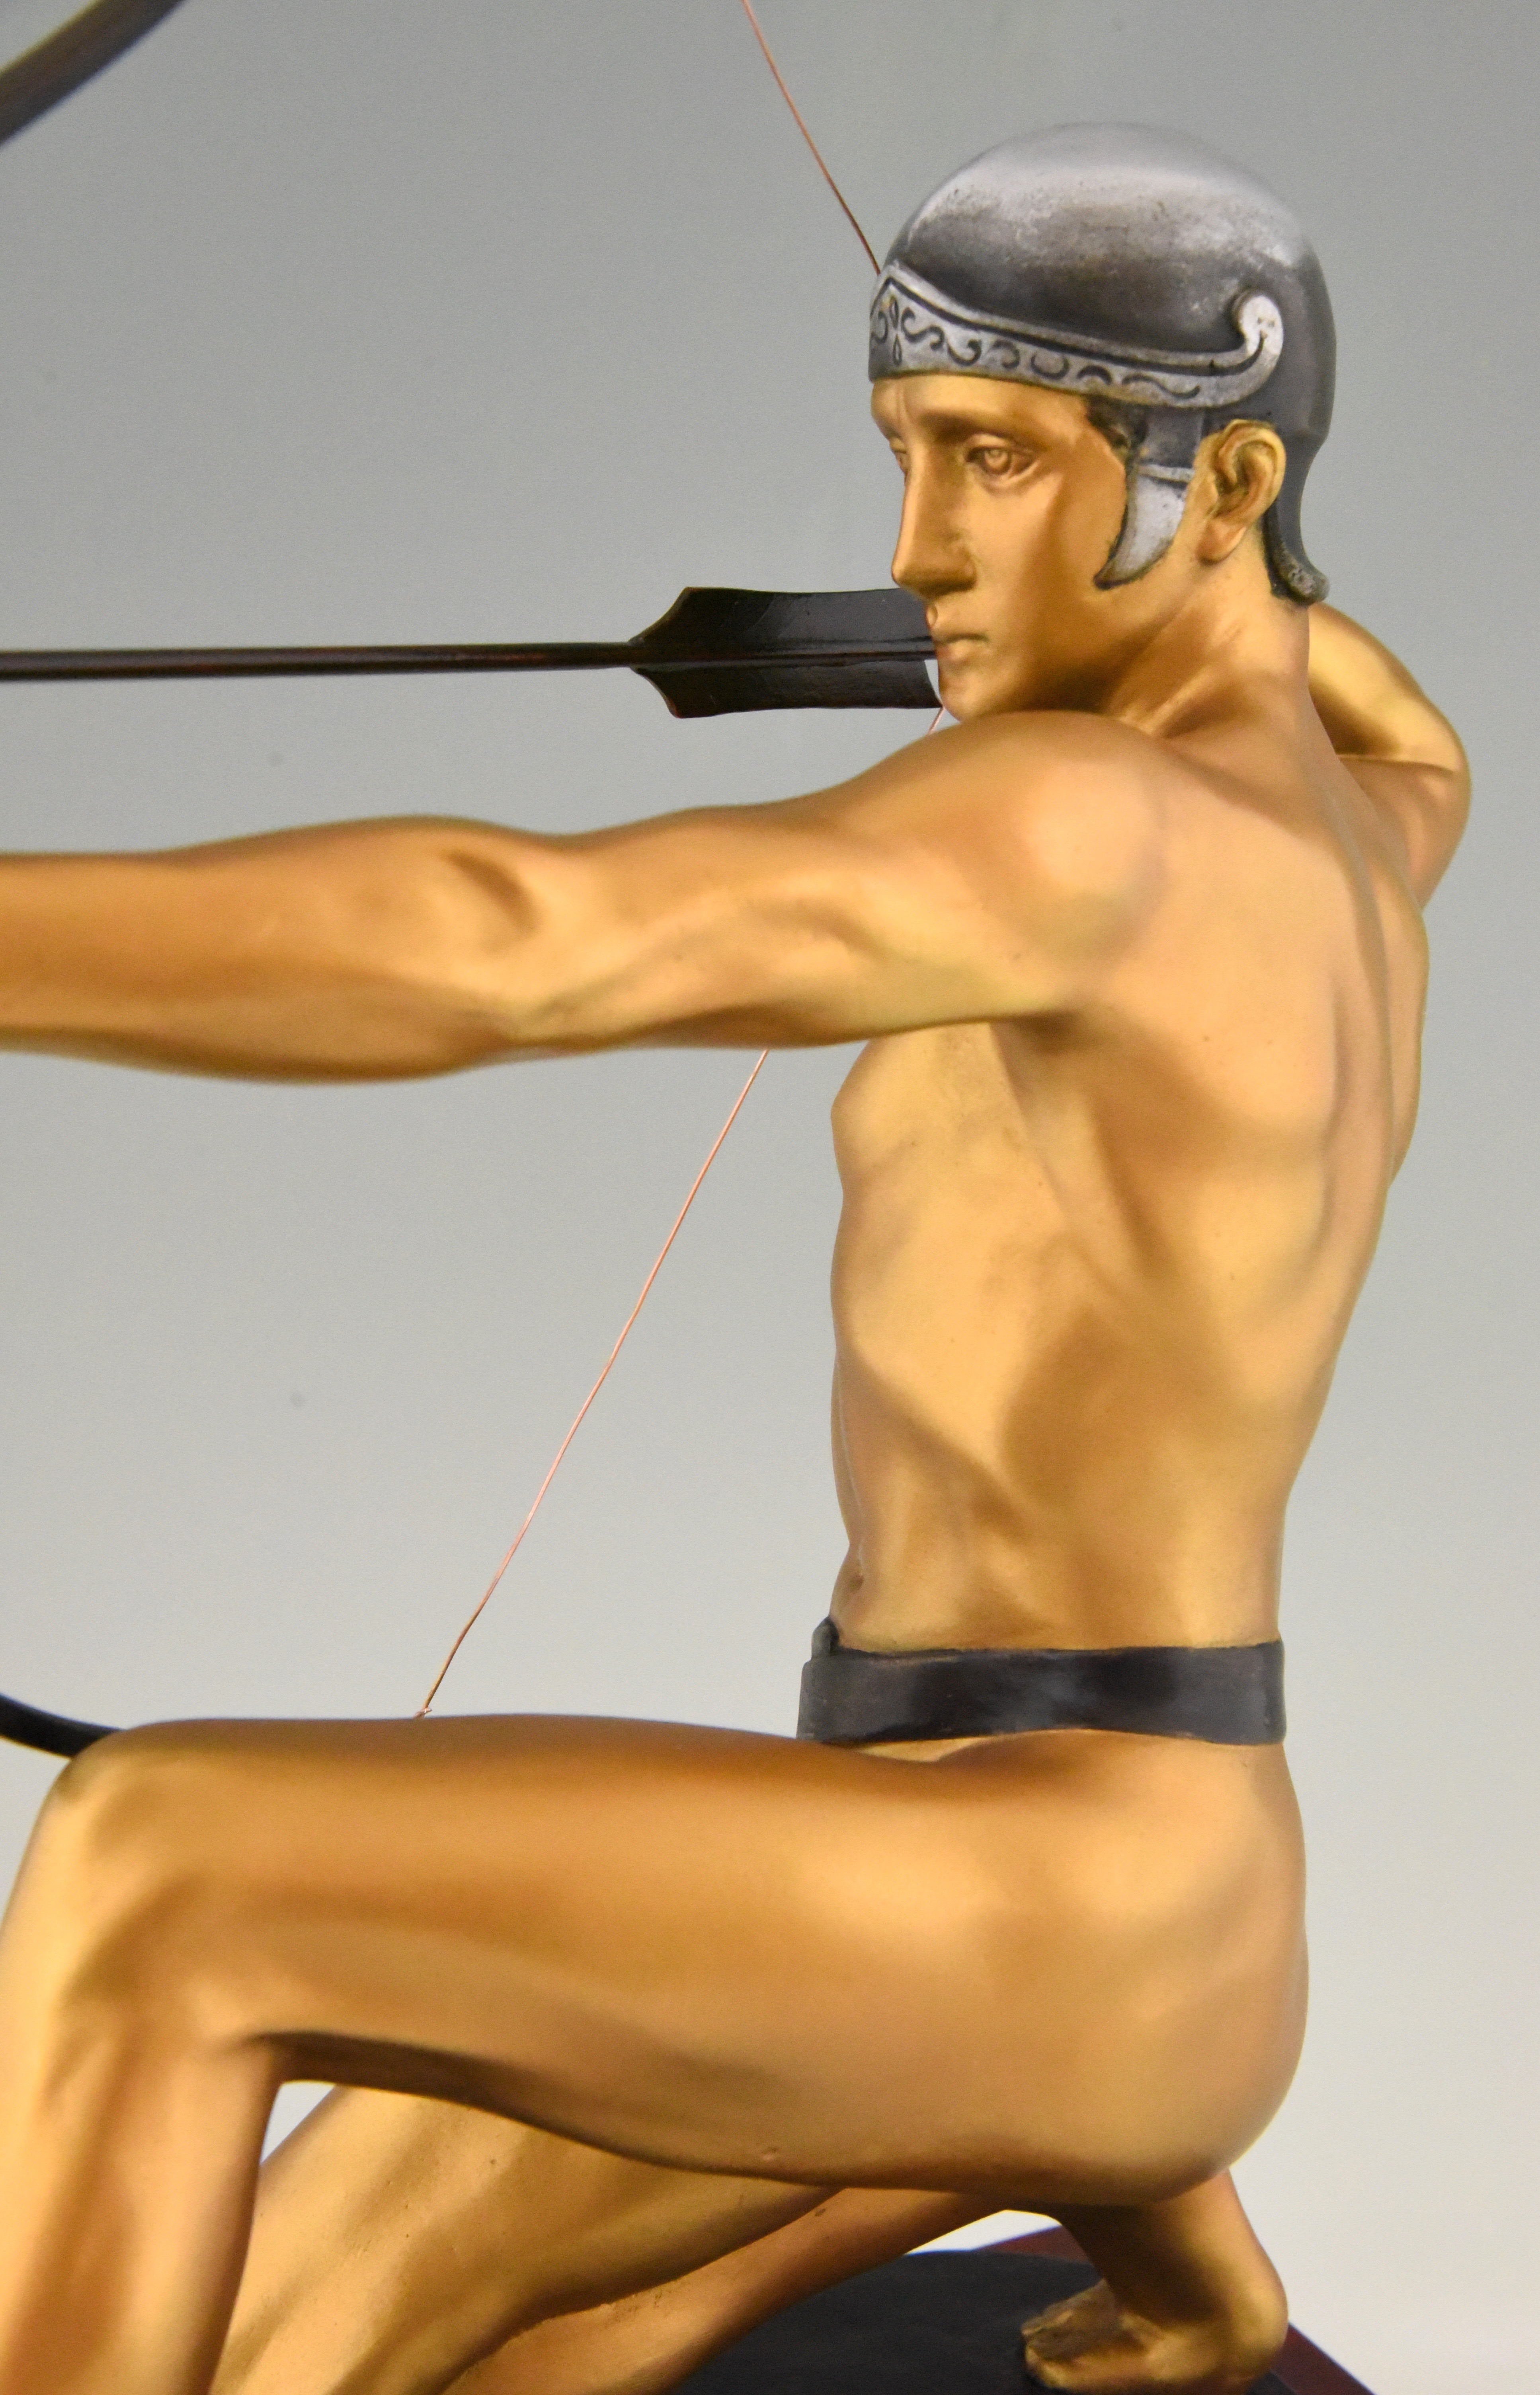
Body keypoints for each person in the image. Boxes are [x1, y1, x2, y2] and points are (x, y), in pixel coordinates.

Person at [0, 126, 1467, 2395]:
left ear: (1229, 474)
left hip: (1034, 1911)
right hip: (1076, 1891)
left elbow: (516, 939)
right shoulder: (1365, 832)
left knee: (159, 1866)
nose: (914, 552)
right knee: (301, 2354)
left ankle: (1115, 2174)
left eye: (992, 461)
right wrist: (1210, 603)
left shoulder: (1092, 829)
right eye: (907, 456)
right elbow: (1396, 714)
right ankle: (1177, 2256)